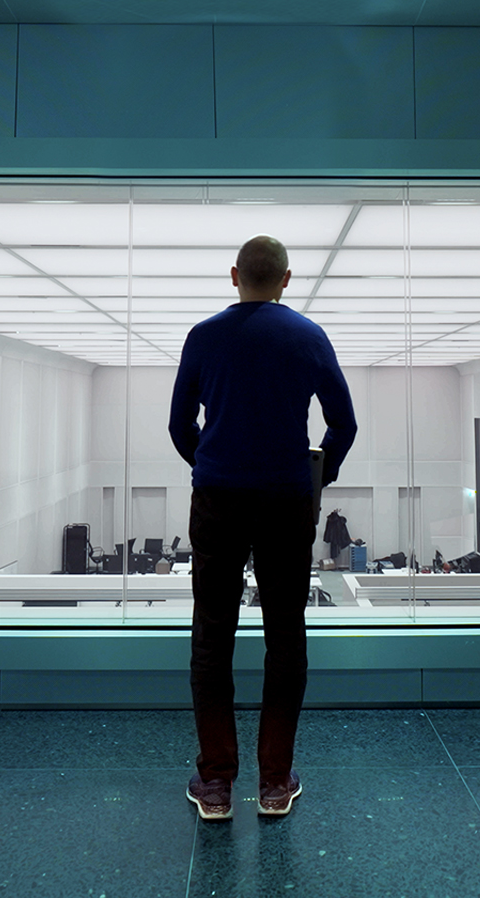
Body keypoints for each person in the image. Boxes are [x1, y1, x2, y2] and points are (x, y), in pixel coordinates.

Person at [169, 234, 356, 821]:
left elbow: (179, 424)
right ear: (287, 279)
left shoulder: (203, 336)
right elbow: (342, 424)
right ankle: (275, 783)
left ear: (233, 276)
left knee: (212, 636)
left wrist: (211, 463)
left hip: (218, 500)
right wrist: (315, 475)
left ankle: (217, 784)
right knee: (286, 636)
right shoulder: (307, 336)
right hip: (285, 501)